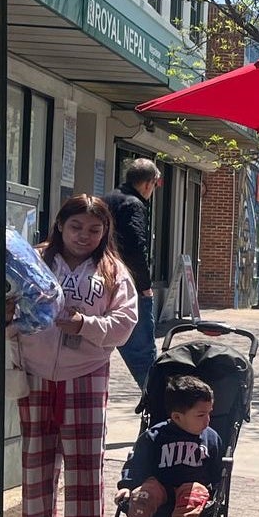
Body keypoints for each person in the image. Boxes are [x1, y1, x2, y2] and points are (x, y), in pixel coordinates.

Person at [13, 194, 138, 517]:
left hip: (86, 373)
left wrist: (86, 325)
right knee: (37, 460)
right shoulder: (31, 260)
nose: (84, 236)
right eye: (76, 227)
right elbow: (3, 303)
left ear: (105, 232)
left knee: (85, 463)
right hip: (34, 371)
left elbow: (124, 324)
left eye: (94, 229)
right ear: (60, 226)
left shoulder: (113, 272)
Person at [116, 374, 222, 517]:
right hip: (159, 484)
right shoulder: (155, 436)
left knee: (196, 493)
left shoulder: (211, 438)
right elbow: (136, 462)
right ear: (177, 417)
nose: (207, 420)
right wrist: (127, 486)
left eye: (210, 413)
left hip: (192, 486)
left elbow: (216, 470)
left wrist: (216, 490)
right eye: (201, 415)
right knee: (142, 496)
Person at [103, 159, 161, 387]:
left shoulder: (106, 200)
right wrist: (144, 286)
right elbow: (136, 247)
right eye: (155, 185)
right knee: (144, 356)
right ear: (148, 184)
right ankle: (155, 402)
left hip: (100, 282)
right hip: (127, 286)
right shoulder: (133, 204)